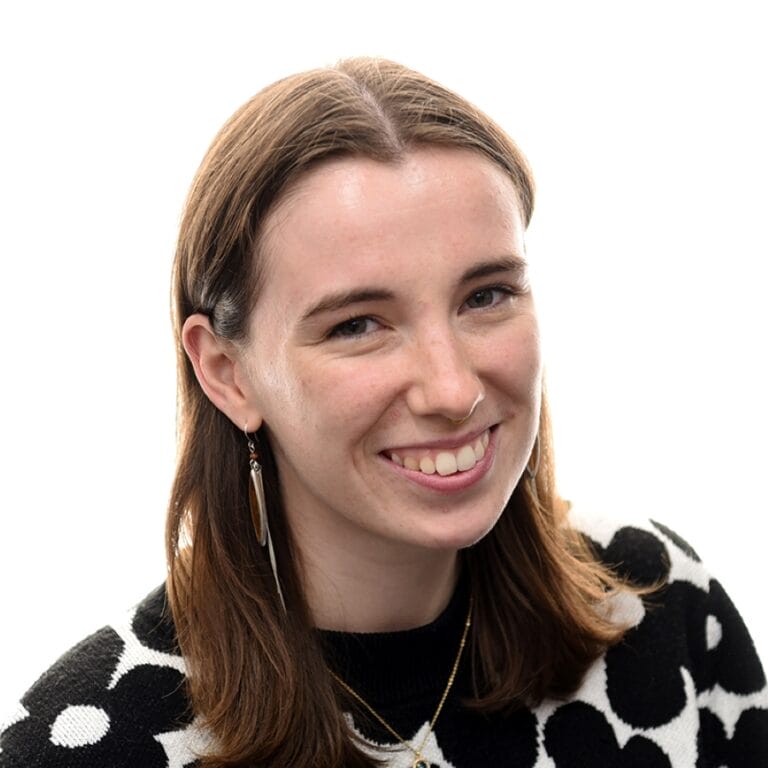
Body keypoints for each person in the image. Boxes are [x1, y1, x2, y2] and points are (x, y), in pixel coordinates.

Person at [1, 57, 766, 768]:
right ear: (227, 373)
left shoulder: (657, 606)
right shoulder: (89, 742)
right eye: (358, 324)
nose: (452, 388)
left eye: (486, 295)